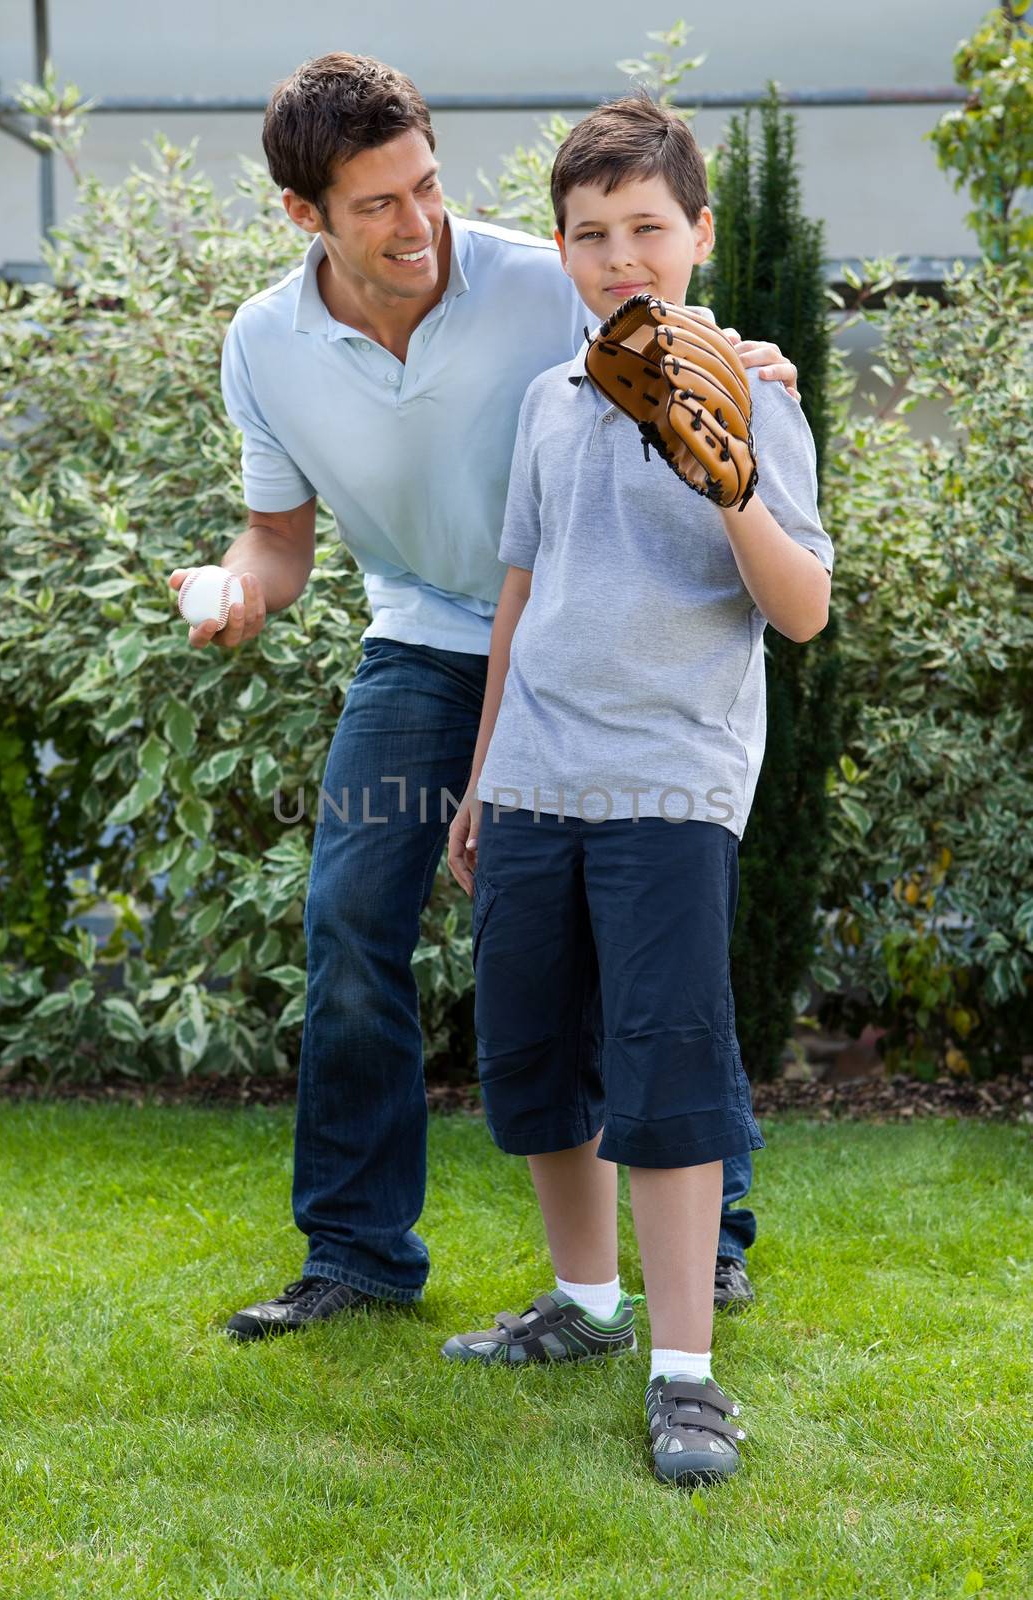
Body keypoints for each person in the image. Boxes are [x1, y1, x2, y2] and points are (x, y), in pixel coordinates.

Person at [167, 53, 800, 1340]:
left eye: (429, 186)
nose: (419, 225)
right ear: (307, 216)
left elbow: (658, 359)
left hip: (573, 643)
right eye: (378, 205)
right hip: (418, 638)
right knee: (349, 916)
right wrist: (235, 588)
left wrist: (743, 359)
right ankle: (355, 1250)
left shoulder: (534, 277)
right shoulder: (263, 345)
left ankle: (710, 1237)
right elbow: (276, 543)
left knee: (651, 922)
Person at [442, 93, 833, 1485]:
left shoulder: (754, 392)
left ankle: (684, 1372)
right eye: (590, 234)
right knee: (538, 1056)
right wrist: (482, 775)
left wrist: (725, 478)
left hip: (670, 781)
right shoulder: (549, 405)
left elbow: (799, 613)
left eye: (645, 229)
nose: (620, 256)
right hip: (539, 773)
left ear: (697, 236)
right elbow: (520, 593)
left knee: (666, 1073)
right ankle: (584, 1304)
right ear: (559, 250)